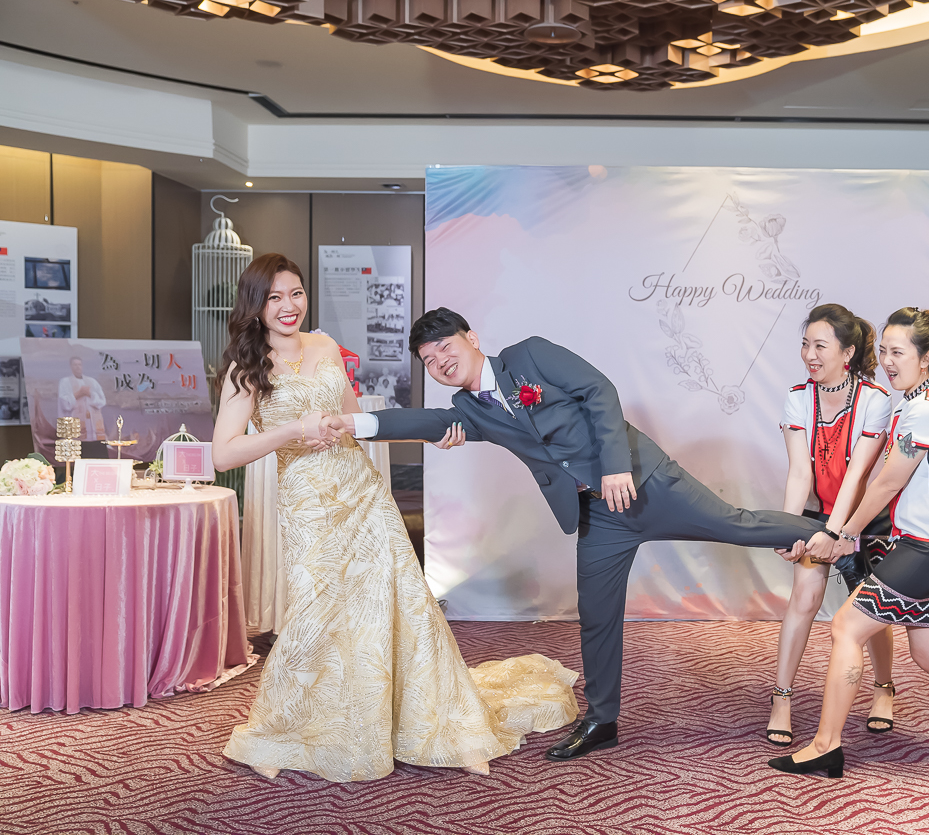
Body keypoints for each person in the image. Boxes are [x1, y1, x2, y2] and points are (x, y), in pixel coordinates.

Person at [320, 308, 831, 761]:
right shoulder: (470, 409)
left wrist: (616, 467)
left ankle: (840, 538)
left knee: (738, 525)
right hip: (599, 515)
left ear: (471, 338)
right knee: (597, 616)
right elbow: (428, 421)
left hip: (645, 483)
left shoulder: (529, 356)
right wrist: (352, 423)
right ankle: (602, 721)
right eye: (429, 361)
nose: (441, 362)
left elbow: (599, 391)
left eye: (445, 347)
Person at [212, 254, 578, 783]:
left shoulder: (324, 346)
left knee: (402, 601)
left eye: (296, 293)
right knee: (316, 613)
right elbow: (224, 453)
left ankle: (444, 724)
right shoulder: (246, 367)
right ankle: (285, 729)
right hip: (308, 503)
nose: (289, 306)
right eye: (275, 298)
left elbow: (358, 420)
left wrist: (436, 433)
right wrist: (291, 432)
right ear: (256, 304)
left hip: (361, 492)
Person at [768, 307, 929, 779]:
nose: (887, 361)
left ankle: (826, 745)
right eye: (884, 351)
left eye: (899, 353)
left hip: (928, 549)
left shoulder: (925, 410)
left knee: (846, 628)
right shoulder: (916, 402)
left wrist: (842, 535)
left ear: (925, 358)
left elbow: (887, 483)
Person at [766, 304, 897, 748]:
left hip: (863, 519)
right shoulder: (797, 397)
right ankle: (781, 698)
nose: (809, 355)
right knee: (804, 598)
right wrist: (787, 529)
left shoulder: (875, 400)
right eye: (805, 344)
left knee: (871, 608)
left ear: (848, 352)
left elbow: (858, 475)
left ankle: (883, 690)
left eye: (820, 346)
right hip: (818, 512)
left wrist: (836, 534)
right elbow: (799, 472)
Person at [56, 356, 106, 440]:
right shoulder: (65, 382)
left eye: (79, 364)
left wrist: (90, 394)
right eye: (75, 365)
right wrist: (79, 393)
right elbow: (64, 404)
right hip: (74, 424)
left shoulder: (92, 381)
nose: (77, 367)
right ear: (71, 366)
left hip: (92, 425)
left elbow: (102, 401)